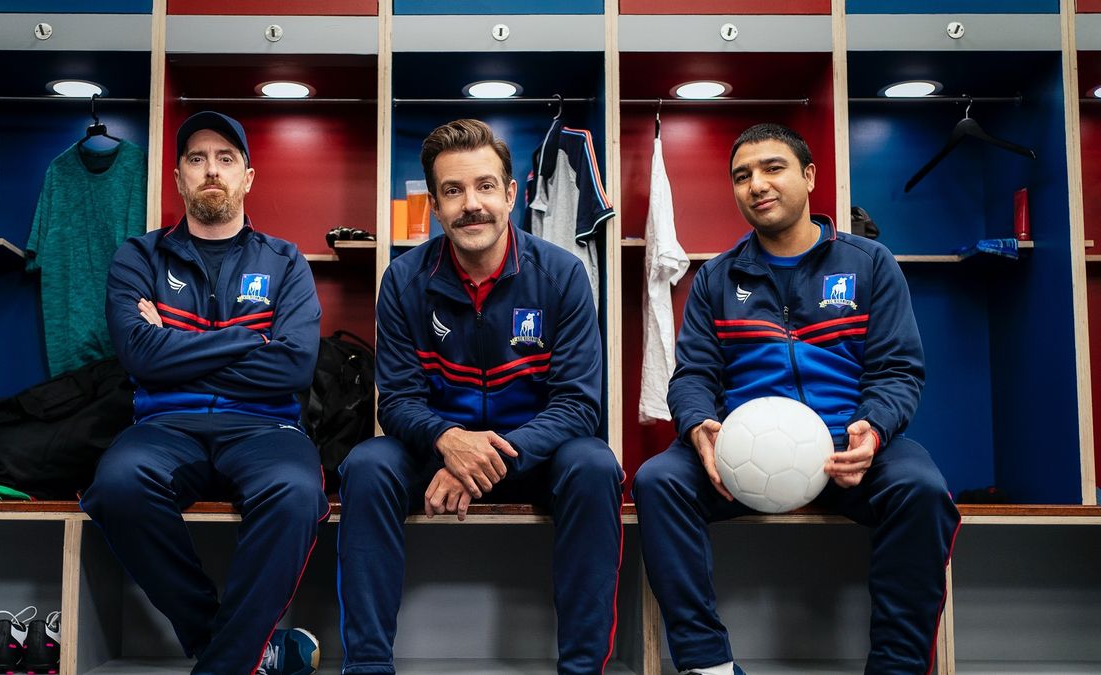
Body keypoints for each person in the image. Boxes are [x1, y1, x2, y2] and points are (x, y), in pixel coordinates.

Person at [633, 123, 961, 675]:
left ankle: (896, 666)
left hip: (847, 449)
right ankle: (706, 664)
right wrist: (699, 427)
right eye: (742, 176)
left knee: (923, 490)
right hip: (744, 455)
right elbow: (691, 377)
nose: (757, 184)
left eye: (772, 168)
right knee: (657, 481)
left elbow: (898, 370)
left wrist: (873, 429)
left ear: (809, 177)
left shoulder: (869, 263)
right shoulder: (717, 277)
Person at [336, 119, 624, 675]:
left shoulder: (562, 275)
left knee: (595, 465)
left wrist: (483, 458)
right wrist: (449, 442)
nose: (472, 205)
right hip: (437, 453)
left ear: (511, 195)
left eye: (486, 187)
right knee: (367, 465)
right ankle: (367, 667)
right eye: (453, 191)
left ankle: (585, 669)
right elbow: (395, 400)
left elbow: (579, 404)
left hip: (535, 454)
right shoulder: (402, 280)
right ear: (435, 208)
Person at [81, 111, 326, 675]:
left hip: (266, 429)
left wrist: (175, 346)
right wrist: (247, 339)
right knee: (117, 485)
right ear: (177, 179)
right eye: (196, 159)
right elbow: (138, 357)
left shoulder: (285, 261)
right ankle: (234, 649)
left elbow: (293, 367)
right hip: (165, 428)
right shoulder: (138, 258)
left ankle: (222, 664)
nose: (211, 171)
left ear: (248, 177)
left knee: (295, 492)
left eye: (225, 159)